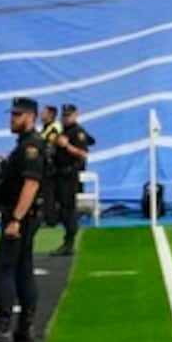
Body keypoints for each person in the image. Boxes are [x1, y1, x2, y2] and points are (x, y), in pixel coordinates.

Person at [0, 98, 46, 342]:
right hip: (26, 215)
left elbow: (31, 184)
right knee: (23, 269)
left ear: (31, 117)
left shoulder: (31, 147)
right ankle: (25, 327)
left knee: (2, 271)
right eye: (12, 114)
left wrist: (15, 219)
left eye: (18, 115)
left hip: (21, 215)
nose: (12, 119)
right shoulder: (25, 145)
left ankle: (3, 326)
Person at [49, 105, 94, 252]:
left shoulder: (77, 132)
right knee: (61, 208)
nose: (66, 118)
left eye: (68, 116)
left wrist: (67, 146)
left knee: (68, 208)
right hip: (59, 173)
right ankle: (67, 238)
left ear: (75, 115)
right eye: (64, 116)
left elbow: (83, 154)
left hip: (69, 174)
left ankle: (69, 242)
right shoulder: (62, 130)